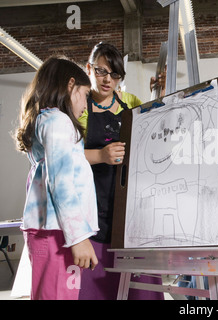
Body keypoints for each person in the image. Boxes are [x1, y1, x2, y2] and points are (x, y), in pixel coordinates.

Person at [78, 42, 163, 300]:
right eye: (102, 71)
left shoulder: (130, 102)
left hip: (129, 210)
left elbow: (156, 131)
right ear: (89, 68)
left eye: (115, 75)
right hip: (91, 211)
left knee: (140, 291)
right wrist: (101, 156)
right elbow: (63, 158)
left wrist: (161, 92)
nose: (108, 80)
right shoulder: (78, 107)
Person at [15, 56, 99, 300]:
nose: (86, 104)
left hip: (56, 231)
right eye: (84, 94)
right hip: (58, 233)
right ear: (70, 85)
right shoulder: (58, 121)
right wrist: (78, 238)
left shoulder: (47, 121)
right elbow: (60, 183)